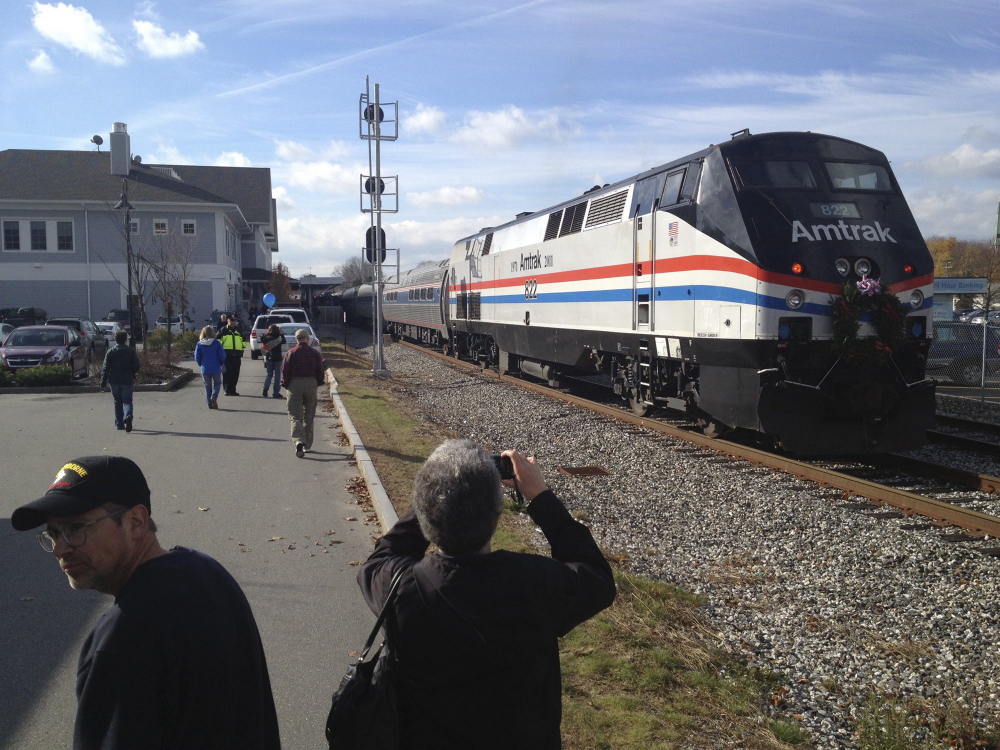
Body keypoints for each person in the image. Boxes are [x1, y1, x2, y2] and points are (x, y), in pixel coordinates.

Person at [357, 440, 617, 749]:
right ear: (496, 518)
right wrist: (541, 497)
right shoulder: (534, 583)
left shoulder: (400, 587)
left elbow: (383, 554)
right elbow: (597, 576)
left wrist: (436, 489)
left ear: (426, 514)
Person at [11, 455, 281, 750]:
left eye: (75, 528)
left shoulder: (123, 637)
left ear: (136, 522)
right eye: (52, 533)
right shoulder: (210, 575)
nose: (59, 548)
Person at [280, 328, 324, 457]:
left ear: (296, 339)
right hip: (311, 384)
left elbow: (284, 371)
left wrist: (286, 384)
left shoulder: (290, 353)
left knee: (295, 416)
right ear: (307, 339)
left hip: (295, 384)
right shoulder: (315, 353)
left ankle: (298, 440)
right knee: (309, 415)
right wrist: (318, 382)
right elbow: (320, 371)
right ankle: (307, 446)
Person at [100, 329, 141, 432]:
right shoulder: (130, 351)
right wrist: (131, 371)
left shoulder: (111, 352)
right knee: (127, 401)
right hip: (127, 379)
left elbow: (105, 368)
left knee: (117, 401)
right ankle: (128, 416)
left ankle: (119, 424)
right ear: (125, 339)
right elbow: (137, 366)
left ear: (115, 339)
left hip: (114, 380)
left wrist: (103, 382)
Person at [194, 325, 227, 409]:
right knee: (217, 383)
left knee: (207, 386)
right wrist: (220, 362)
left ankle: (209, 404)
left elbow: (197, 356)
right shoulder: (216, 343)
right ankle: (214, 396)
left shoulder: (199, 344)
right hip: (216, 367)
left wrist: (200, 364)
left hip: (205, 368)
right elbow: (222, 355)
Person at [218, 316, 246, 396]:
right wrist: (221, 350)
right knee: (227, 373)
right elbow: (217, 340)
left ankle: (233, 390)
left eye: (234, 320)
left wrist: (242, 347)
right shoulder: (223, 330)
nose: (233, 322)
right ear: (228, 321)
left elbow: (244, 340)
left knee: (235, 374)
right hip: (226, 356)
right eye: (231, 320)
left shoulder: (238, 330)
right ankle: (226, 390)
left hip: (237, 356)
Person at [260, 324, 284, 398]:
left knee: (269, 374)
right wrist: (281, 333)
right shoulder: (278, 338)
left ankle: (265, 387)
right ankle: (275, 393)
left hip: (269, 358)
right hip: (278, 359)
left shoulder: (265, 338)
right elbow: (284, 340)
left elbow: (262, 340)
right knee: (277, 376)